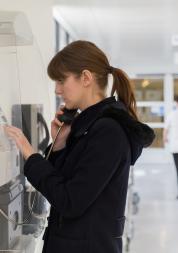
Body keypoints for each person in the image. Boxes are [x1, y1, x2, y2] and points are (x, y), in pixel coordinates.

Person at [6, 40, 155, 253]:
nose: (57, 90)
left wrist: (30, 154)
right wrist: (58, 145)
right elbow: (62, 183)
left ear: (85, 78)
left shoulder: (108, 131)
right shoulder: (86, 126)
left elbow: (70, 201)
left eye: (61, 80)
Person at [163, 95, 178, 199]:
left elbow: (165, 130)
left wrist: (165, 138)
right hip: (175, 147)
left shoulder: (172, 114)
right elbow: (166, 130)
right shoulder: (172, 114)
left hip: (175, 147)